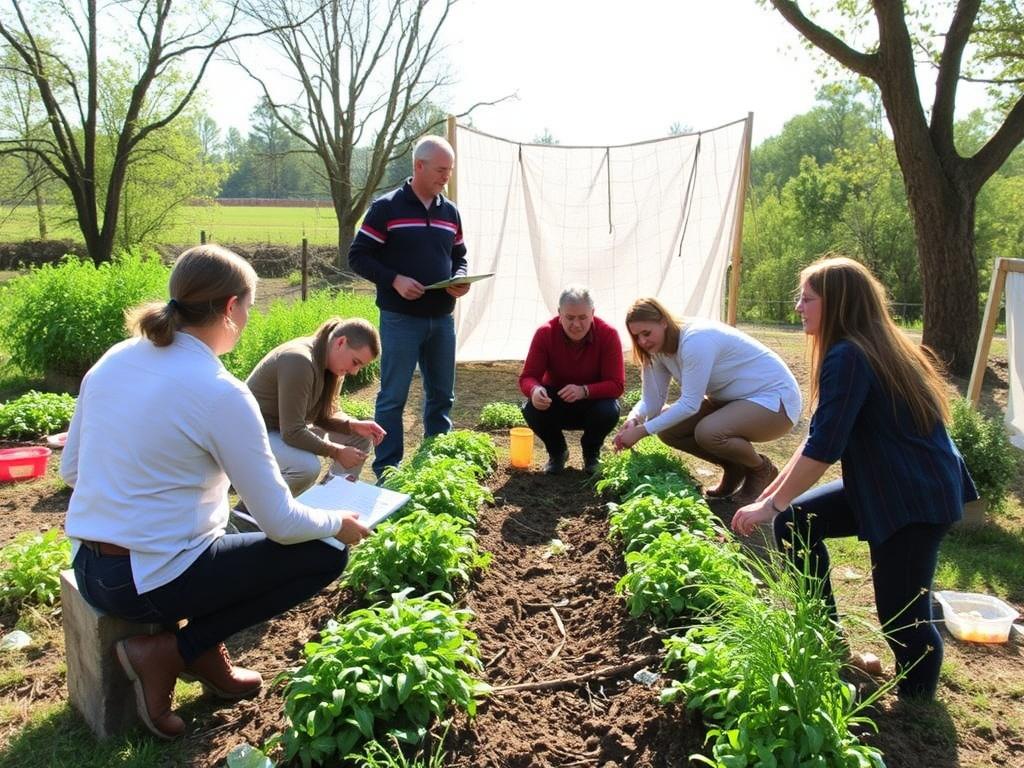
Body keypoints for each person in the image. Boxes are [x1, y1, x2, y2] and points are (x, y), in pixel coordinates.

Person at [61, 245, 370, 740]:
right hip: (149, 581)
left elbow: (71, 470)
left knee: (220, 539)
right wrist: (339, 522)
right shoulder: (219, 391)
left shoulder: (115, 358)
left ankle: (204, 651)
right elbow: (281, 523)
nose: (247, 318)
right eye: (249, 307)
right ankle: (173, 652)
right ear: (230, 307)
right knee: (325, 553)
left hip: (90, 566)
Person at [731, 256, 976, 699]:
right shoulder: (867, 347)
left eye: (807, 298)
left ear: (838, 302)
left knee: (902, 615)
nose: (798, 307)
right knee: (797, 522)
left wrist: (771, 504)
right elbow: (817, 438)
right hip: (892, 483)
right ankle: (825, 639)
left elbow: (824, 450)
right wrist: (772, 498)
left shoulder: (849, 355)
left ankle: (917, 699)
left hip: (914, 495)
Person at [348, 135, 469, 478]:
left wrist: (460, 278)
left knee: (442, 396)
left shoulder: (450, 212)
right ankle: (388, 469)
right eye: (441, 170)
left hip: (442, 319)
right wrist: (395, 280)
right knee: (393, 397)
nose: (446, 176)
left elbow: (459, 256)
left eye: (449, 170)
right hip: (401, 319)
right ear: (419, 166)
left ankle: (436, 463)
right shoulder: (386, 208)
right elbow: (358, 256)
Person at [613, 298, 802, 504]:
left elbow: (690, 404)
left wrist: (642, 431)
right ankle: (734, 466)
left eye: (646, 333)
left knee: (709, 432)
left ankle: (760, 469)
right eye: (636, 336)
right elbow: (652, 398)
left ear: (663, 322)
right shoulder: (657, 351)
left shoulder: (695, 340)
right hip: (730, 400)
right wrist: (635, 419)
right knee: (669, 429)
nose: (642, 341)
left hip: (774, 401)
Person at [245, 318, 386, 495]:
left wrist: (353, 425)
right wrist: (336, 451)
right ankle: (250, 510)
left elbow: (324, 415)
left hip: (279, 429)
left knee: (360, 437)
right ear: (341, 342)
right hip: (249, 433)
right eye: (355, 362)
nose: (354, 371)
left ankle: (329, 501)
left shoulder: (332, 365)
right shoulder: (299, 361)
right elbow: (292, 432)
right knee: (306, 467)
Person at [519, 285, 625, 474]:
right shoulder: (545, 333)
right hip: (555, 402)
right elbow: (528, 377)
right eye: (569, 317)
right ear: (559, 314)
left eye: (583, 317)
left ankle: (592, 454)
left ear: (592, 314)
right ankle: (557, 452)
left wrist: (584, 391)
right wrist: (535, 390)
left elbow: (616, 385)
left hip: (592, 404)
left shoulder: (608, 334)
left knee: (609, 409)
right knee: (531, 407)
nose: (576, 324)